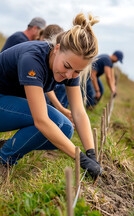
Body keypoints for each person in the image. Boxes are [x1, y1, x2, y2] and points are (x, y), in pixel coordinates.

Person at [0, 13, 102, 180]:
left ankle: (9, 148)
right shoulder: (32, 59)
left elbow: (78, 113)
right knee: (52, 121)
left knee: (66, 128)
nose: (69, 74)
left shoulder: (69, 67)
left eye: (77, 71)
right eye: (67, 66)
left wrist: (92, 154)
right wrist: (81, 159)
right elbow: (41, 120)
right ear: (57, 48)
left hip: (7, 106)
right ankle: (4, 159)